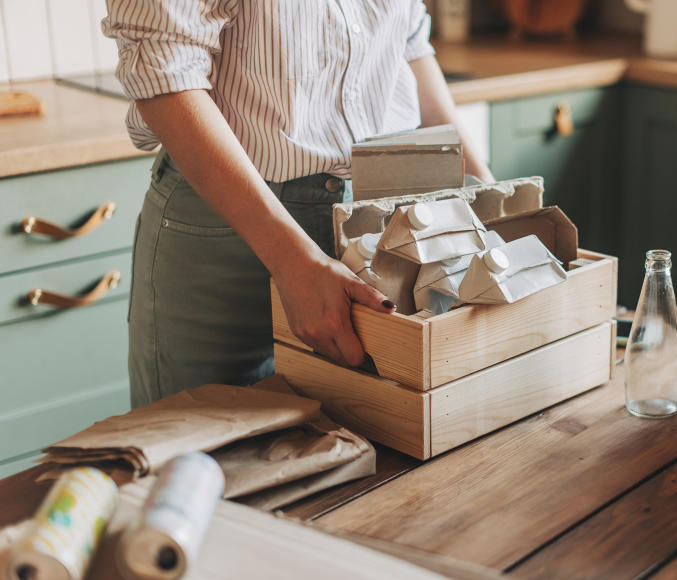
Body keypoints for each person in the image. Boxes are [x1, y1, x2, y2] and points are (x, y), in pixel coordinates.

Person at [103, 1, 493, 407]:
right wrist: (293, 261)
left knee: (378, 454)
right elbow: (164, 74)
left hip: (383, 222)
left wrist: (483, 189)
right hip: (229, 230)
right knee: (202, 455)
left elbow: (409, 42)